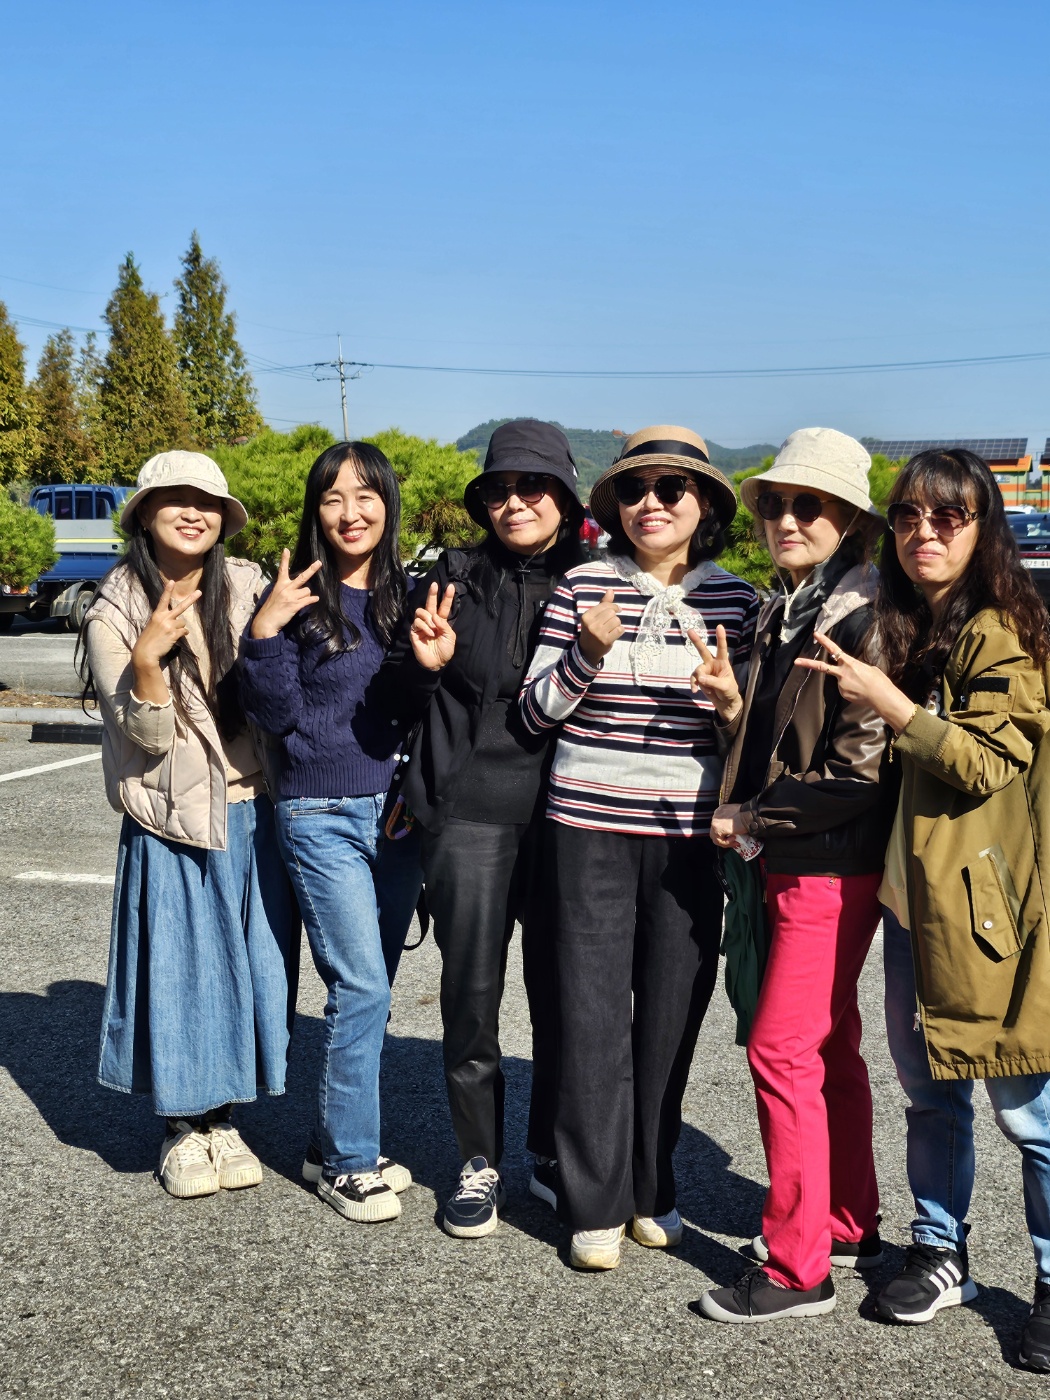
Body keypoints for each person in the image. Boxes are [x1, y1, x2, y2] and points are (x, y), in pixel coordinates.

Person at [797, 448, 1050, 1371]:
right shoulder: (915, 625)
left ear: (985, 531)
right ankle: (942, 1251)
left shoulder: (1001, 632)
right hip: (921, 905)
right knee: (931, 1090)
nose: (924, 533)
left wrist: (892, 704)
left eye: (948, 517)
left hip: (991, 911)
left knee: (1028, 1107)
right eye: (907, 516)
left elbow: (986, 761)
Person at [519, 424, 759, 1270]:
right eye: (633, 488)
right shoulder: (581, 584)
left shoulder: (738, 602)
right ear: (614, 504)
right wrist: (587, 652)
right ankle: (594, 1200)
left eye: (671, 488)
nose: (650, 503)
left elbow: (753, 741)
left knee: (670, 1014)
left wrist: (731, 706)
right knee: (588, 1014)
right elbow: (535, 713)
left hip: (688, 836)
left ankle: (652, 1187)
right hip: (585, 826)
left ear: (706, 504)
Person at [693, 427, 895, 1324]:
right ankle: (847, 1222)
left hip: (826, 863)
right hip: (808, 859)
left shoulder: (861, 618)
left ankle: (797, 1267)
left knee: (780, 1050)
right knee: (828, 1043)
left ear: (848, 518)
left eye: (807, 505)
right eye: (775, 503)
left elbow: (857, 772)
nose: (785, 518)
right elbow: (790, 738)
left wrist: (750, 818)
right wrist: (735, 704)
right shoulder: (795, 607)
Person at [380, 418, 585, 1238]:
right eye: (499, 488)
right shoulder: (452, 579)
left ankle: (552, 1151)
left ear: (565, 496)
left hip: (573, 812)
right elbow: (392, 698)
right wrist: (420, 665)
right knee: (471, 995)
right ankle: (478, 1159)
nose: (515, 502)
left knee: (567, 992)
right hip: (468, 810)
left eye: (533, 486)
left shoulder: (599, 581)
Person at [83, 451, 299, 1199]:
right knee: (180, 973)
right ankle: (183, 1124)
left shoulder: (244, 585)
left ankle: (225, 1116)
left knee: (253, 969)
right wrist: (148, 662)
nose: (193, 512)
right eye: (174, 498)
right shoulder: (114, 608)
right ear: (145, 513)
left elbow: (280, 687)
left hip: (251, 808)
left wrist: (268, 627)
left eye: (207, 501)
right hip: (170, 819)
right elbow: (144, 739)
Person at [239, 441, 427, 1225]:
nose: (351, 512)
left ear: (387, 503)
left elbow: (420, 707)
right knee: (362, 986)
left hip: (397, 818)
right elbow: (275, 716)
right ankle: (349, 1163)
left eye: (366, 495)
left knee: (371, 992)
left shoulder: (408, 598)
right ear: (315, 511)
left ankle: (329, 1142)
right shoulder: (296, 597)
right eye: (333, 498)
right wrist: (264, 633)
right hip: (318, 813)